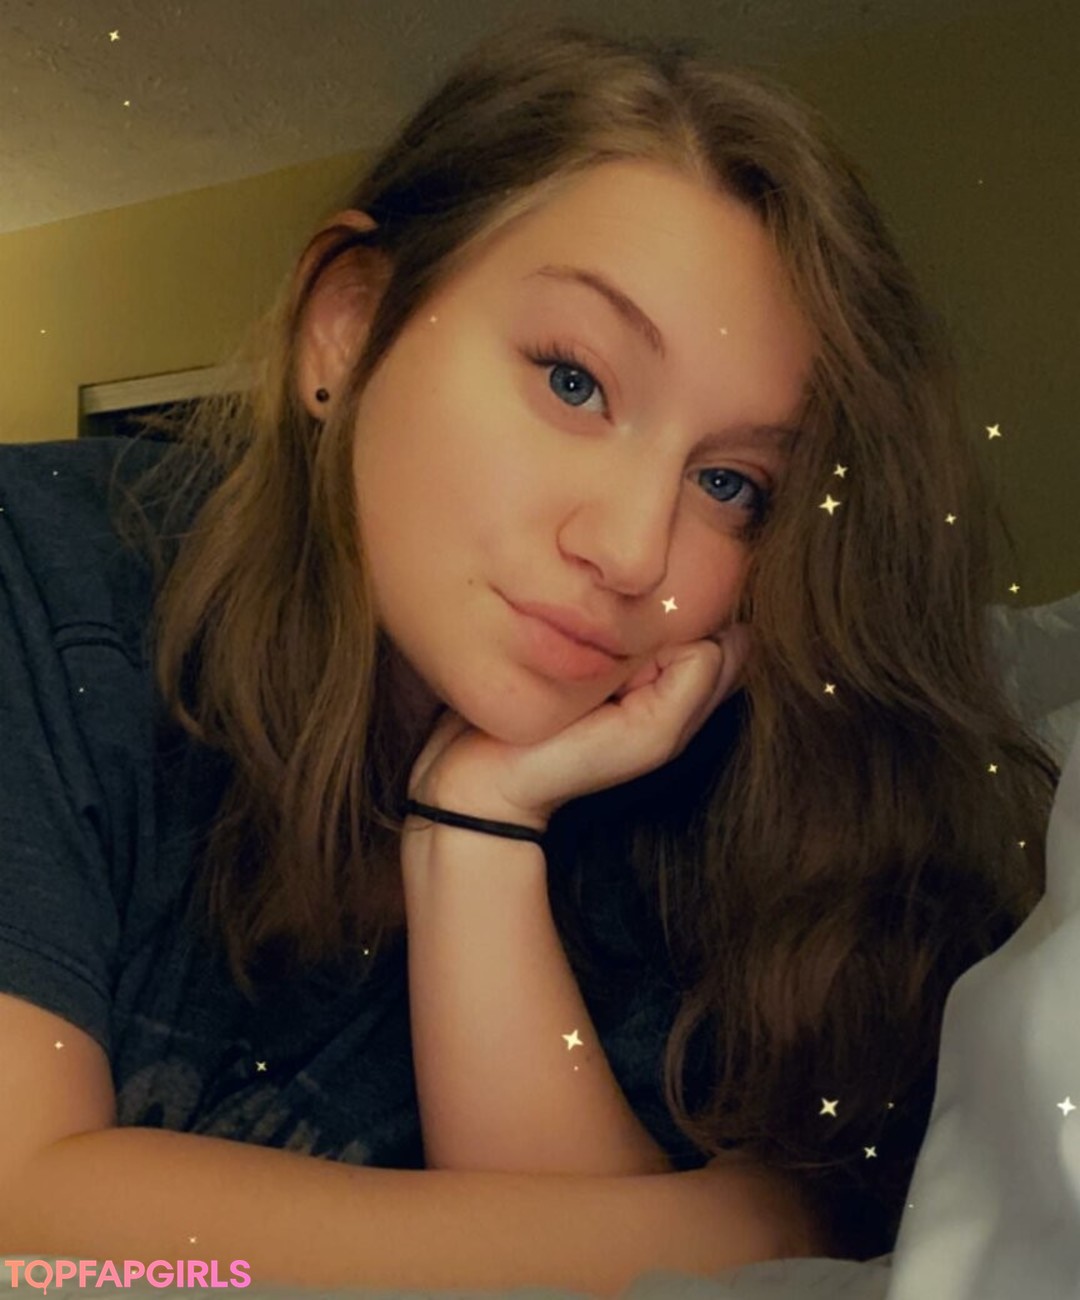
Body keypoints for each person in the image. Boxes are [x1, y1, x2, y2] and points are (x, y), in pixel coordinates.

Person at [0, 21, 1061, 1296]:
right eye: (572, 382)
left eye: (732, 483)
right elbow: (22, 1227)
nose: (632, 548)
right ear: (349, 326)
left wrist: (477, 831)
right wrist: (756, 1226)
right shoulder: (47, 571)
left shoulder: (717, 812)